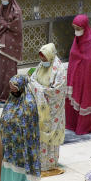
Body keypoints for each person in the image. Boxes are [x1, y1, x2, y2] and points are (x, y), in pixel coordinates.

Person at [1, 74, 41, 181]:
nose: (12, 91)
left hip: (21, 150)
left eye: (14, 88)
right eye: (10, 88)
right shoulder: (11, 98)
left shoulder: (29, 104)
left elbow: (29, 129)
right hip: (8, 148)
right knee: (7, 175)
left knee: (17, 175)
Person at [30, 43, 66, 172]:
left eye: (44, 58)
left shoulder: (59, 70)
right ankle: (40, 161)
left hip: (53, 110)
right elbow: (32, 79)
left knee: (51, 134)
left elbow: (57, 90)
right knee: (40, 134)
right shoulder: (41, 65)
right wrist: (39, 89)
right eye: (41, 58)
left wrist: (41, 90)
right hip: (40, 107)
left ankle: (50, 163)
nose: (42, 61)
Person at [66, 15, 91, 135]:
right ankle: (72, 124)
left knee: (84, 98)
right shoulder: (77, 38)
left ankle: (83, 126)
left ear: (85, 27)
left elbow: (90, 60)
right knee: (73, 100)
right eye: (74, 28)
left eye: (78, 28)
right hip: (76, 74)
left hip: (86, 77)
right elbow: (73, 54)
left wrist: (78, 57)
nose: (76, 31)